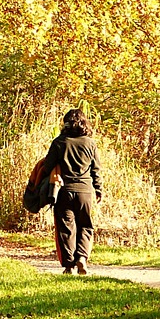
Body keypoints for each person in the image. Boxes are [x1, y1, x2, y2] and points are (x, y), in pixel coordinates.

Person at [41, 108, 103, 275]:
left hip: (63, 190)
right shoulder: (90, 143)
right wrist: (98, 190)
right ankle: (82, 258)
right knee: (85, 225)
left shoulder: (59, 142)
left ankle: (69, 266)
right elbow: (96, 170)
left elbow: (47, 167)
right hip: (85, 191)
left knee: (66, 228)